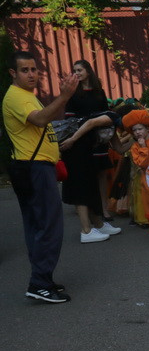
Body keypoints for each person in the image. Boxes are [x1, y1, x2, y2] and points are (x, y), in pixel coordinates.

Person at [3, 51, 79, 303]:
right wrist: (64, 96)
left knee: (40, 225)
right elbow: (40, 119)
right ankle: (39, 283)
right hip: (33, 168)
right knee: (47, 226)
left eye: (34, 69)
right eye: (25, 70)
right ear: (13, 73)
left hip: (36, 167)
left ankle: (42, 279)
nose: (31, 74)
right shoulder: (16, 96)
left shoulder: (26, 95)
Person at [58, 60, 122, 243]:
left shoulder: (99, 92)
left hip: (95, 142)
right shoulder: (73, 93)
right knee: (82, 186)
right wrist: (74, 137)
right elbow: (74, 121)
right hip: (77, 143)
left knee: (93, 184)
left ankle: (99, 223)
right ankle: (86, 230)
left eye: (80, 70)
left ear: (88, 71)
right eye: (74, 70)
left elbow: (104, 119)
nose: (77, 73)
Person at [123, 109, 149, 243]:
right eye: (134, 130)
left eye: (140, 129)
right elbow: (141, 163)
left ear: (147, 128)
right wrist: (143, 147)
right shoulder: (135, 147)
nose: (137, 132)